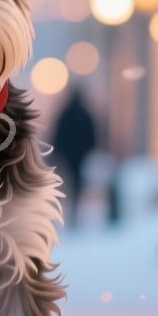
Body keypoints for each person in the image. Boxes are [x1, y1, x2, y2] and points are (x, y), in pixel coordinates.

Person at [50, 87, 97, 225]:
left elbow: (58, 134)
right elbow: (92, 135)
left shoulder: (65, 113)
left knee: (64, 182)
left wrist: (57, 150)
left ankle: (64, 209)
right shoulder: (85, 114)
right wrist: (89, 150)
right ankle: (73, 210)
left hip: (67, 154)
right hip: (80, 155)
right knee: (77, 183)